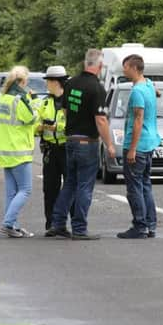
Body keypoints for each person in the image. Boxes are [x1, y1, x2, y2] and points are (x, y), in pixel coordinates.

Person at [46, 49, 115, 240]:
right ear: (99, 66)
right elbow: (100, 119)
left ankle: (58, 223)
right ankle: (79, 228)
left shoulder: (71, 84)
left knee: (69, 183)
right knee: (85, 186)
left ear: (85, 63)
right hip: (87, 142)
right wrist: (109, 144)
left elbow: (66, 112)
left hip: (70, 140)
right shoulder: (97, 88)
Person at [117, 54, 161, 239]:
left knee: (134, 187)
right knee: (145, 184)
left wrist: (132, 148)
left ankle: (139, 225)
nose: (123, 70)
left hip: (139, 144)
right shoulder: (148, 85)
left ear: (134, 68)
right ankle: (150, 225)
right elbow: (155, 89)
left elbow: (138, 120)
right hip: (150, 142)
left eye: (125, 67)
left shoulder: (137, 92)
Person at [0, 66, 37, 238]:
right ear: (22, 81)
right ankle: (8, 223)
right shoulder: (19, 100)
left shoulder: (3, 98)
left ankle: (13, 225)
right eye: (26, 81)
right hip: (19, 151)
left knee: (11, 193)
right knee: (25, 190)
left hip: (5, 152)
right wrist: (32, 100)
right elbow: (32, 118)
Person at [36, 66, 74, 233]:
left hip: (67, 149)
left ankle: (75, 224)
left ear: (56, 82)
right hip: (50, 150)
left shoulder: (70, 102)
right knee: (50, 188)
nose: (46, 84)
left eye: (49, 80)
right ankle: (51, 225)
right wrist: (42, 127)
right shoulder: (45, 102)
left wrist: (55, 127)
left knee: (71, 187)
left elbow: (71, 124)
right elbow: (35, 124)